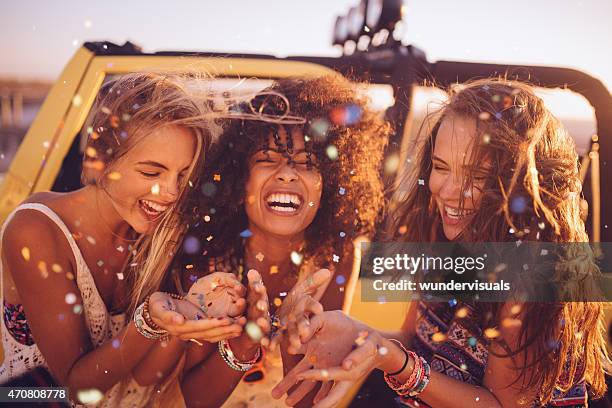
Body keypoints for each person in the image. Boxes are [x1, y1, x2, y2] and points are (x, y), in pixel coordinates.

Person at [273, 78, 610, 407]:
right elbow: (418, 340)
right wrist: (357, 334)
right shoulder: (445, 237)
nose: (448, 191)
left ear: (519, 184)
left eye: (476, 176)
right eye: (441, 167)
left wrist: (396, 363)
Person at [0, 72, 246, 407]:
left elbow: (146, 379)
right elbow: (74, 391)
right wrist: (146, 322)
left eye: (182, 175)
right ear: (100, 159)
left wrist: (182, 318)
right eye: (151, 172)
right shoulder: (36, 231)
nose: (172, 192)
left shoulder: (161, 232)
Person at [172, 76, 390, 407]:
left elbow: (313, 400)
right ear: (239, 177)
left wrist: (294, 344)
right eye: (267, 159)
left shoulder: (337, 257)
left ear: (328, 184)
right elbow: (191, 399)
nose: (288, 174)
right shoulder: (204, 254)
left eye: (306, 163)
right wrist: (244, 345)